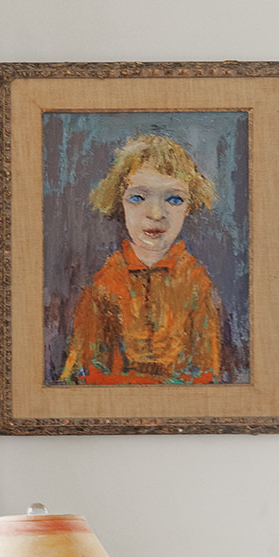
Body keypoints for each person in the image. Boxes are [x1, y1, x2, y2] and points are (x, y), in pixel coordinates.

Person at [59, 132, 223, 386]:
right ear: (119, 201)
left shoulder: (197, 284)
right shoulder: (103, 285)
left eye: (174, 199)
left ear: (188, 207)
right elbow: (79, 375)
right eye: (138, 198)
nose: (156, 214)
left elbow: (207, 374)